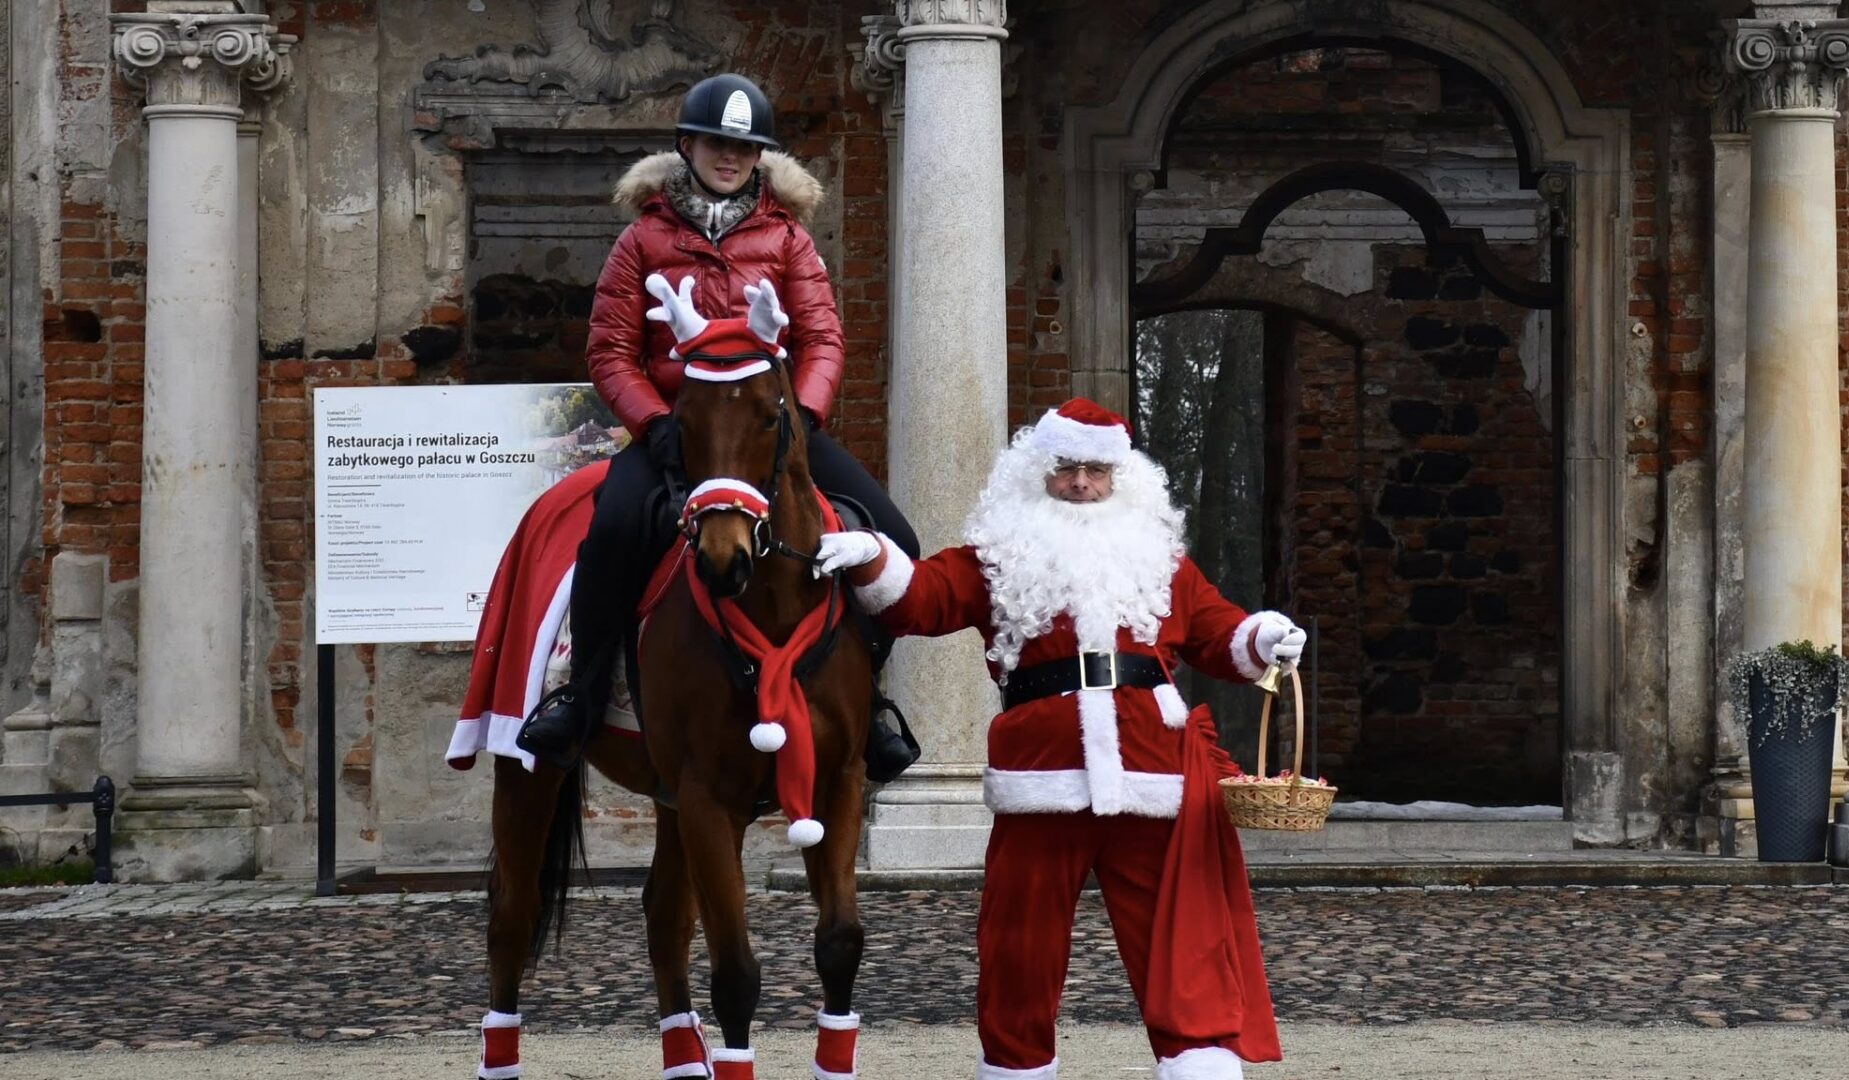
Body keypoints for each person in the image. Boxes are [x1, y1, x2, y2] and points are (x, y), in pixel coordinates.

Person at [814, 398, 1303, 1080]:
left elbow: (1219, 632)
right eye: (1067, 467)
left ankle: (1197, 1062)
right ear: (1036, 470)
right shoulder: (997, 556)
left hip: (1152, 775)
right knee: (1019, 944)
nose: (1081, 484)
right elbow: (922, 599)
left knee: (1181, 935)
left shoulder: (1162, 560)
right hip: (1041, 777)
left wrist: (1264, 636)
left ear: (1121, 478)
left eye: (1097, 471)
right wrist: (872, 556)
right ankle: (1017, 1066)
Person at [514, 73, 920, 777]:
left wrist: (802, 417)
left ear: (759, 155)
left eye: (744, 147)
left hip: (774, 429)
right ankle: (581, 694)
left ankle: (871, 699)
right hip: (676, 431)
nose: (730, 157)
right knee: (612, 531)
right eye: (715, 144)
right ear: (687, 145)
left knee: (895, 538)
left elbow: (823, 340)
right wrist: (655, 423)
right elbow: (610, 351)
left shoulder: (789, 239)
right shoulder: (641, 239)